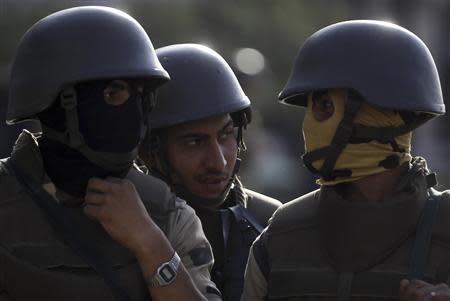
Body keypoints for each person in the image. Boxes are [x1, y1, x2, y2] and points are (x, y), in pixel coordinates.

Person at [0, 7, 221, 301]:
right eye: (113, 95)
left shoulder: (167, 214)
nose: (133, 114)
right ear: (58, 106)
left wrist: (149, 243)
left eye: (143, 97)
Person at [242, 20, 450, 300]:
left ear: (383, 114)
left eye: (324, 106)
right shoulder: (281, 234)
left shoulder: (445, 225)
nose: (309, 125)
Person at [137, 43, 282, 301]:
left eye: (226, 135)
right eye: (194, 142)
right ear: (151, 153)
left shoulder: (272, 223)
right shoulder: (126, 223)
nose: (218, 161)